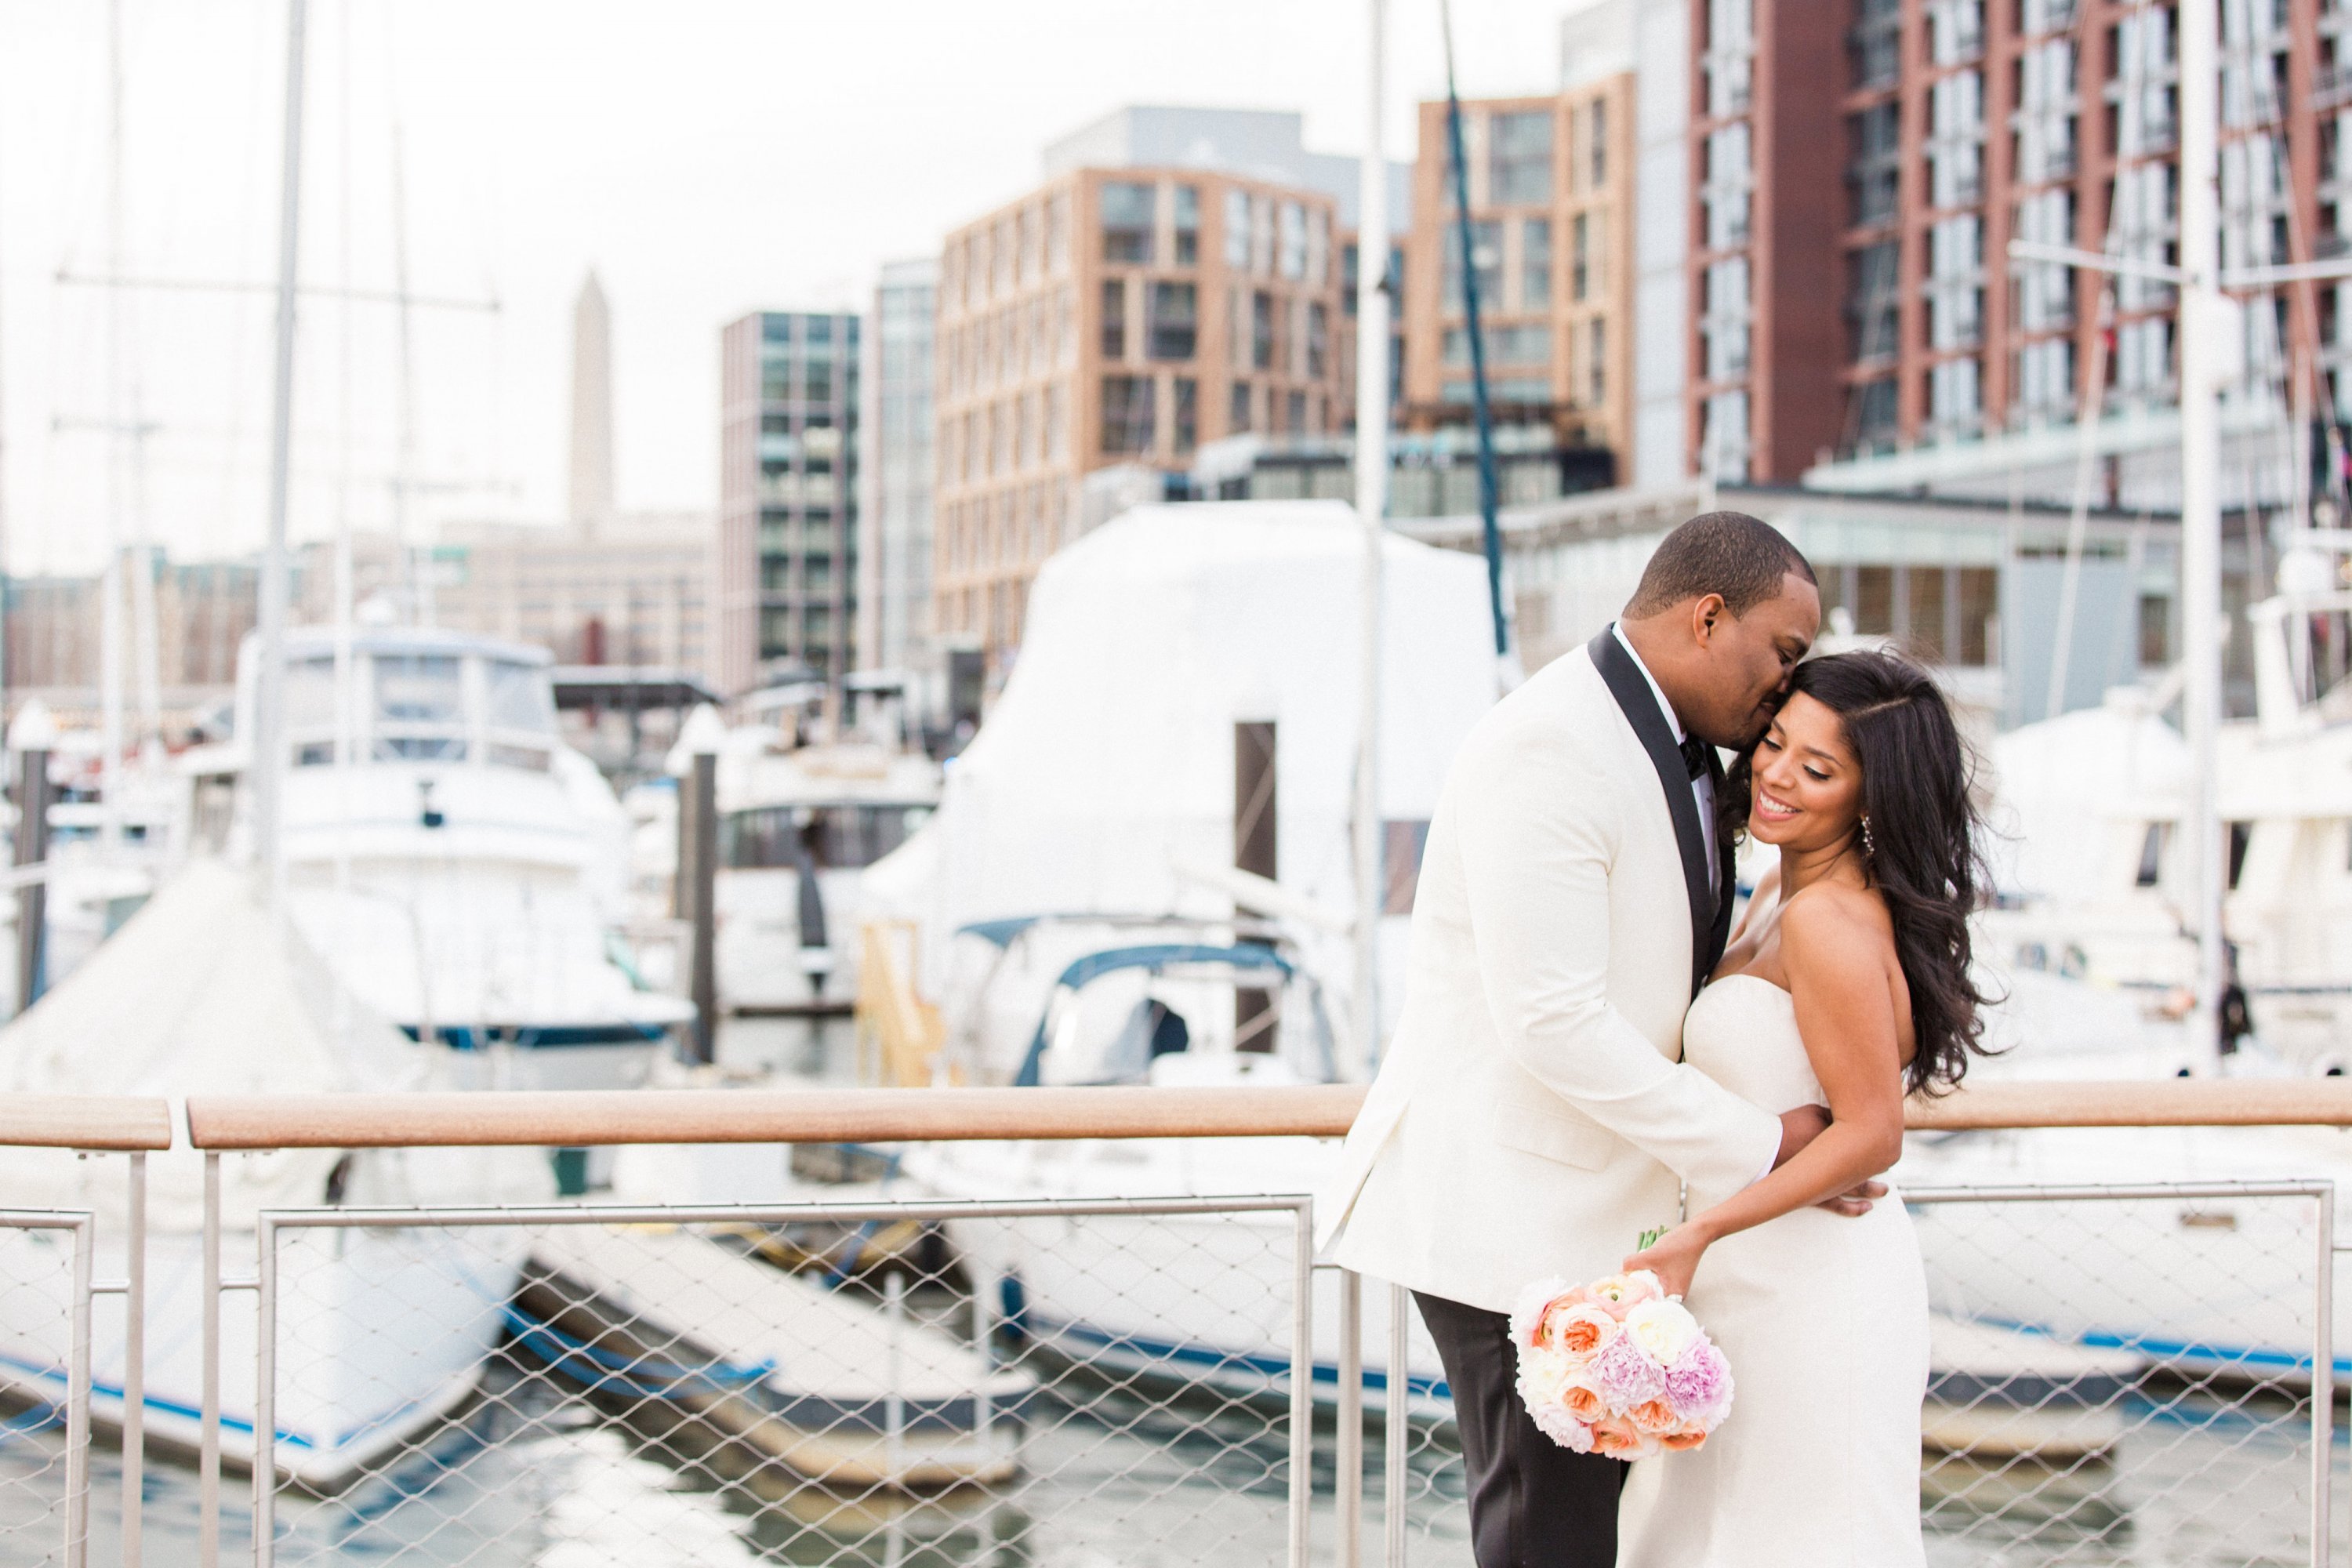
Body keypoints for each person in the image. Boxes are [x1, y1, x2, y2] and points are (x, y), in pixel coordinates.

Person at [1316, 512, 1888, 1568]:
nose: (1785, 689)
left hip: (1597, 1221)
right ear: (1709, 618)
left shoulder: (1669, 748)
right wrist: (1767, 1147)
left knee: (1596, 1538)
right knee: (1551, 1543)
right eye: (1784, 654)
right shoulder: (1553, 742)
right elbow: (1555, 1021)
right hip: (1515, 1224)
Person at [1615, 648, 1988, 1566]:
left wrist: (1700, 1234)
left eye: (1818, 769)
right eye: (1776, 743)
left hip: (1811, 1288)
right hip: (1749, 1275)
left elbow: (1872, 1132)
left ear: (1873, 796)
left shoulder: (1828, 919)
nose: (1778, 775)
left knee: (1794, 1534)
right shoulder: (1786, 881)